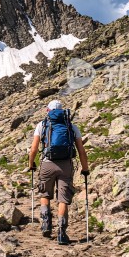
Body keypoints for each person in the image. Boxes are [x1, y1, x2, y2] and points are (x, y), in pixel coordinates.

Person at [28, 99, 89, 245]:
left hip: (47, 164)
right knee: (63, 198)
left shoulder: (42, 125)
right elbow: (81, 151)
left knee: (45, 194)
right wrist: (85, 168)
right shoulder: (71, 126)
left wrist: (31, 164)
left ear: (48, 111)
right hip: (66, 166)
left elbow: (34, 149)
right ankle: (62, 232)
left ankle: (46, 224)